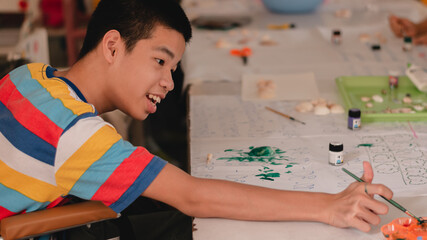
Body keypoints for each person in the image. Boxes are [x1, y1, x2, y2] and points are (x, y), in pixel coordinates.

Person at [0, 0, 393, 238]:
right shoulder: (79, 136)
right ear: (113, 46)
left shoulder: (29, 75)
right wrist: (329, 206)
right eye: (160, 61)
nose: (168, 83)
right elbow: (193, 195)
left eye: (173, 68)